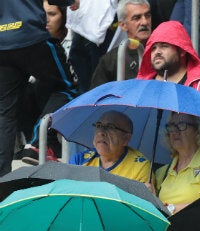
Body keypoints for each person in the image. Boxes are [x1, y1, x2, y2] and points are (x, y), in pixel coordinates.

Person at [0, 0, 77, 176]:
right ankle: (37, 144)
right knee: (67, 87)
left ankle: (1, 179)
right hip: (30, 34)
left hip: (2, 43)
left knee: (4, 111)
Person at [153, 113, 200, 215]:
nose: (175, 131)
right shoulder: (161, 173)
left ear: (198, 130)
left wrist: (169, 209)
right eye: (171, 126)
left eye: (181, 125)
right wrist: (151, 199)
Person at [137, 21, 200, 105]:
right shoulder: (141, 86)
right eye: (153, 48)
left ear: (182, 51)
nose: (157, 52)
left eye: (164, 46)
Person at [70, 111, 151, 183]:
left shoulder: (140, 167)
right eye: (98, 125)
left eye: (110, 127)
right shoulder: (80, 160)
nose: (101, 132)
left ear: (126, 138)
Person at [91, 0, 153, 88]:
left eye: (147, 16)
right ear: (123, 25)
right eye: (137, 18)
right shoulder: (110, 60)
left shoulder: (163, 52)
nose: (145, 22)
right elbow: (97, 97)